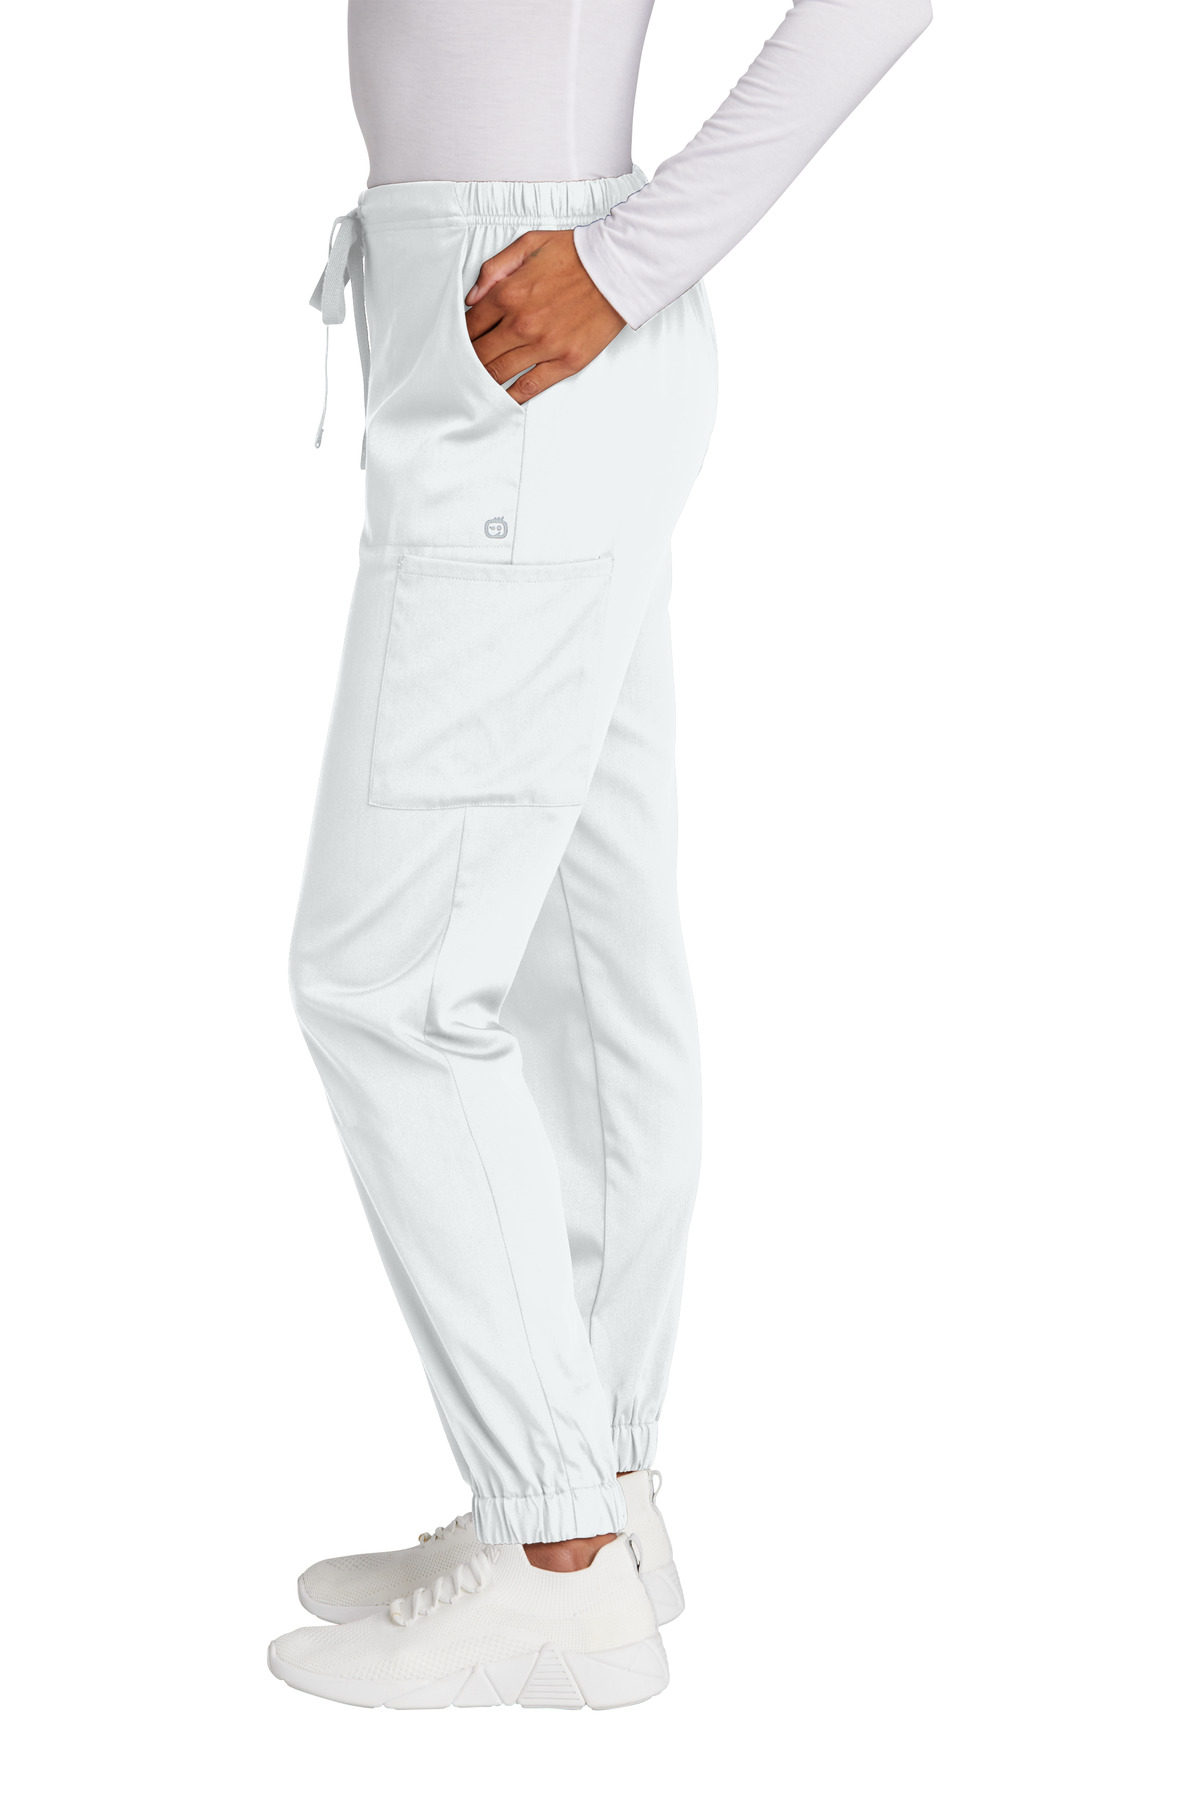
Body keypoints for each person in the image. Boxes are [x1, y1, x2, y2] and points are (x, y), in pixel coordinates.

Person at [269, 0, 932, 1712]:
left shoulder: (578, 285)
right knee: (582, 954)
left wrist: (627, 264)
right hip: (515, 329)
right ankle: (602, 1493)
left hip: (530, 325)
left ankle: (554, 1553)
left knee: (388, 985)